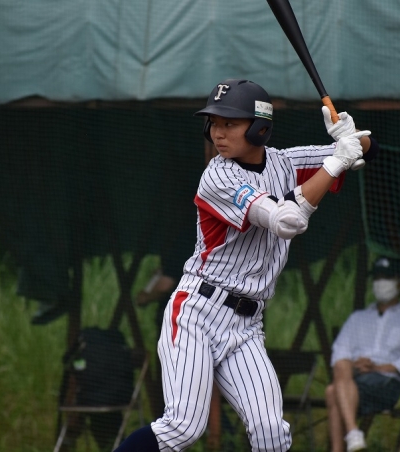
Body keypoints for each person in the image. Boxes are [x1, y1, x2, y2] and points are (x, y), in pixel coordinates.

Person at [114, 78, 378, 452]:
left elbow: (367, 148)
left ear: (260, 128)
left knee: (272, 432)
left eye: (230, 123)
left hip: (246, 325)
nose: (218, 133)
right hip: (197, 313)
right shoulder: (218, 175)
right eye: (214, 123)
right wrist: (337, 161)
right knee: (183, 427)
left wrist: (350, 139)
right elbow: (287, 221)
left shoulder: (284, 162)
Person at [325, 256, 400, 452]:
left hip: (386, 383)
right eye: (377, 277)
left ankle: (345, 442)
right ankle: (352, 434)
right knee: (341, 367)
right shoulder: (357, 318)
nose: (381, 282)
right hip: (355, 377)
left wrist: (376, 367)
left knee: (333, 391)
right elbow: (339, 351)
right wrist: (356, 365)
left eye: (387, 277)